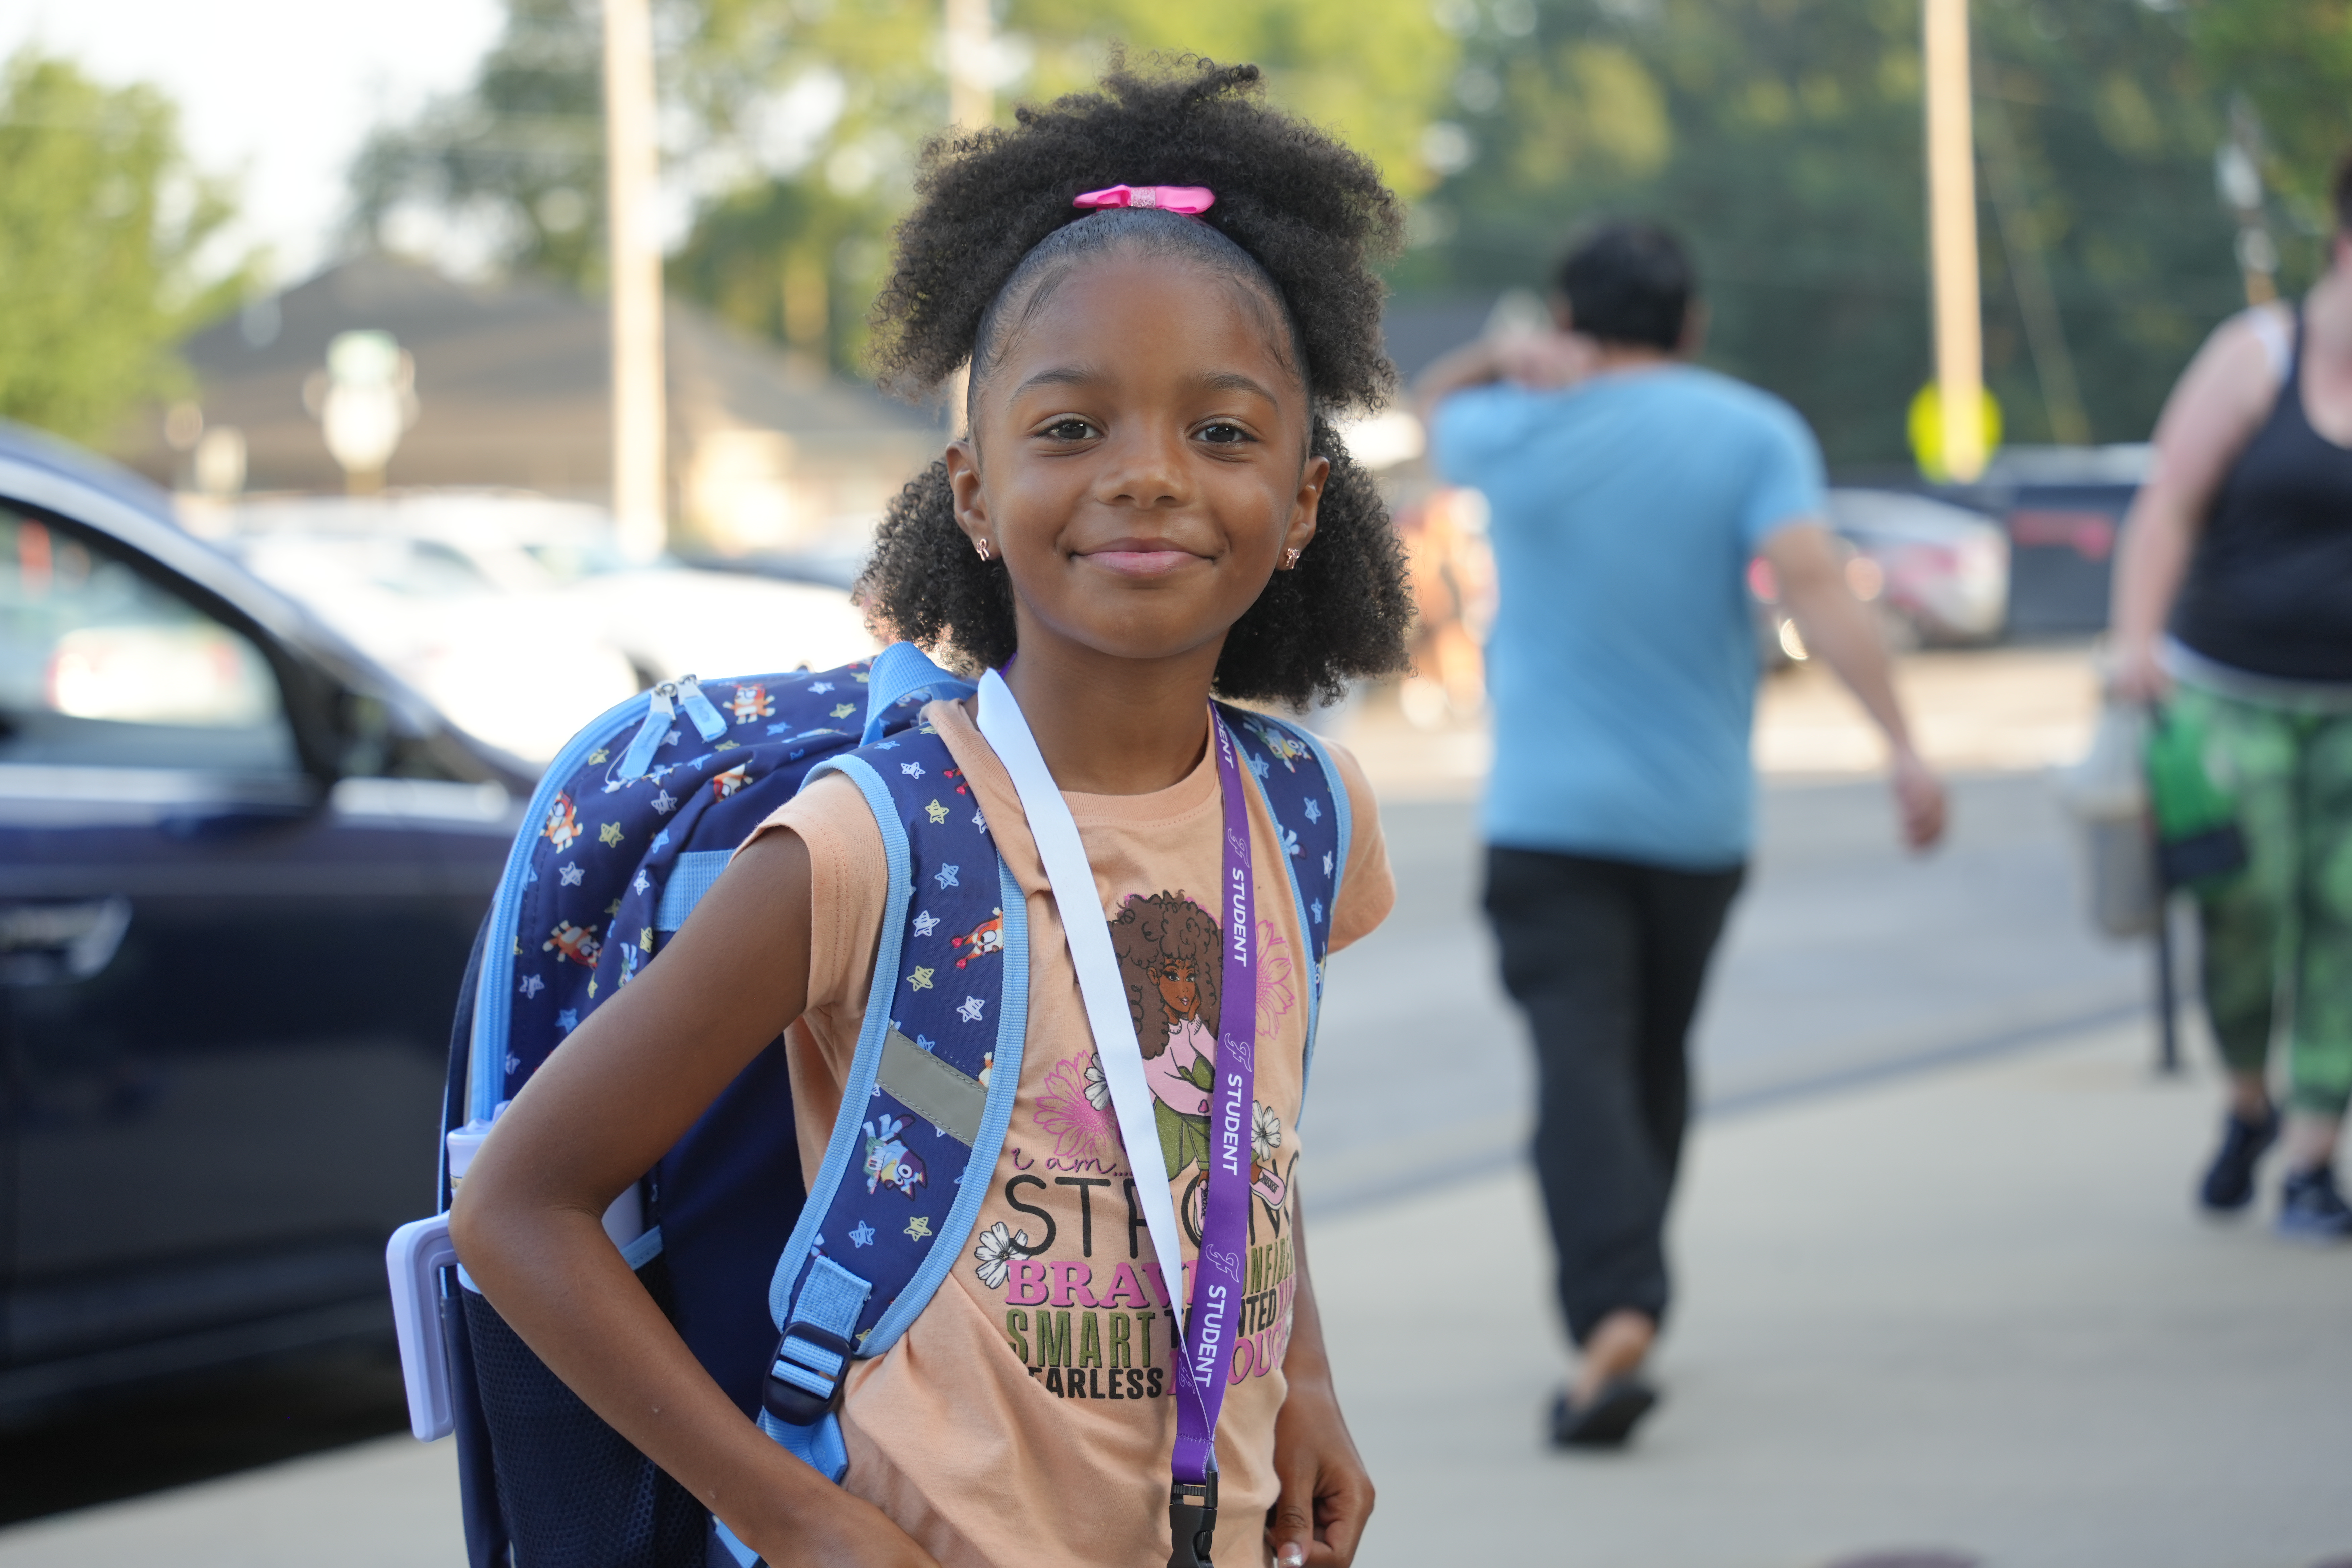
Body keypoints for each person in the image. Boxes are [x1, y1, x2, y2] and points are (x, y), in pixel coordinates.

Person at [450, 60, 1416, 1568]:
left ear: (1303, 503)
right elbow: (517, 1206)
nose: (1150, 475)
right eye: (1072, 428)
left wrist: (1304, 1378)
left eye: (1224, 434)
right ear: (973, 491)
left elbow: (1237, 1147)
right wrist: (792, 1519)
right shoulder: (870, 841)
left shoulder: (1304, 816)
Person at [1418, 221, 1947, 1448]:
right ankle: (1628, 1301)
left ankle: (1614, 1309)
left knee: (1580, 1067)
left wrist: (1505, 359)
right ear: (1693, 322)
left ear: (1565, 320)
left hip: (1545, 823)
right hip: (1696, 826)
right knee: (1651, 1057)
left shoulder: (1518, 426)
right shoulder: (1754, 431)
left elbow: (1430, 411)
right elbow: (1817, 586)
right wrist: (1903, 747)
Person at [2109, 153, 2352, 1240]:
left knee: (2347, 919)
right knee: (2248, 913)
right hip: (2233, 694)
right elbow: (2169, 506)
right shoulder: (2257, 355)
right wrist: (2133, 644)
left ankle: (2313, 1157)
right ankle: (2248, 1099)